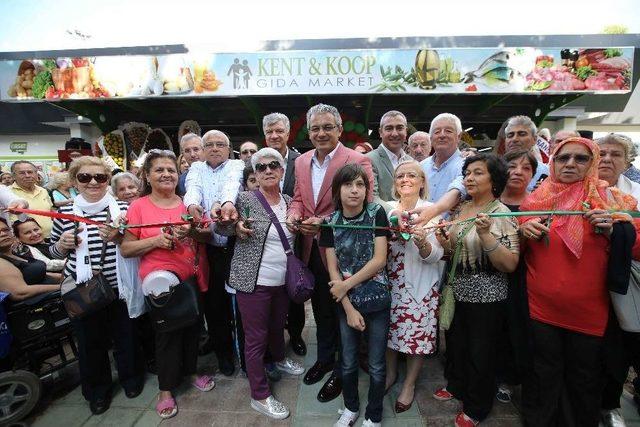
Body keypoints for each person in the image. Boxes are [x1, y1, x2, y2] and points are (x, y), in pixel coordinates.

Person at [519, 137, 640, 427]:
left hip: (590, 314)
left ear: (593, 163)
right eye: (563, 158)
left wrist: (615, 231)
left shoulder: (613, 201)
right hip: (541, 309)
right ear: (553, 162)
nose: (570, 164)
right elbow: (516, 250)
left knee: (583, 379)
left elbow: (638, 247)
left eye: (581, 158)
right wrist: (523, 229)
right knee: (544, 375)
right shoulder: (534, 200)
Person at [286, 103, 374, 403]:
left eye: (327, 127)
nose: (321, 133)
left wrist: (323, 222)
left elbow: (364, 205)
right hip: (311, 247)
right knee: (321, 309)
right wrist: (294, 214)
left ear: (339, 129)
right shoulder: (301, 162)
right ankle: (324, 358)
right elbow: (298, 198)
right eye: (315, 128)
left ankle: (342, 368)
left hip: (345, 251)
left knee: (343, 309)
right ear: (308, 132)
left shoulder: (358, 160)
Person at [120, 149, 214, 419]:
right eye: (159, 170)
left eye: (171, 170)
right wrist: (156, 241)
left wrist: (193, 230)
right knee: (167, 336)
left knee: (193, 329)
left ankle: (191, 371)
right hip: (160, 285)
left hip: (192, 278)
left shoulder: (188, 204)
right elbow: (127, 248)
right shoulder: (138, 206)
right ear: (147, 176)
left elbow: (207, 235)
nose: (166, 174)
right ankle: (165, 390)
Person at [48, 156, 144, 415]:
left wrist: (119, 235)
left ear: (107, 182)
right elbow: (54, 252)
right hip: (83, 291)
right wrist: (62, 245)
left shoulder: (124, 208)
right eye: (85, 177)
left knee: (126, 336)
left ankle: (131, 379)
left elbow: (135, 241)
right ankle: (97, 391)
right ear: (74, 181)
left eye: (100, 177)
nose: (93, 182)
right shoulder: (64, 213)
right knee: (90, 343)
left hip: (120, 287)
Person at [433, 153, 520, 427]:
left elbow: (509, 263)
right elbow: (454, 251)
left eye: (478, 172)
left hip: (488, 296)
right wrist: (442, 240)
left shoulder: (500, 213)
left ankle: (477, 407)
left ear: (494, 178)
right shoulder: (462, 208)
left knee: (481, 353)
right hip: (458, 290)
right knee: (456, 345)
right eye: (467, 173)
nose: (470, 178)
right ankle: (457, 386)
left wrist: (486, 235)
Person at [224, 148, 305, 419]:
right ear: (255, 174)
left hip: (282, 280)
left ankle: (279, 359)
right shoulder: (245, 198)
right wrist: (234, 227)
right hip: (253, 281)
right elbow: (222, 226)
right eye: (261, 167)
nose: (268, 170)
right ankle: (259, 395)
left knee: (276, 327)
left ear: (283, 171)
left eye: (274, 165)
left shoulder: (289, 200)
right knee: (256, 338)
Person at [319, 163, 390, 427]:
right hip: (346, 305)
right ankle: (350, 408)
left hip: (378, 300)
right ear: (338, 190)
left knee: (376, 364)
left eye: (360, 184)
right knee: (347, 362)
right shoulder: (329, 223)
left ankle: (374, 414)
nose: (354, 190)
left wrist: (346, 286)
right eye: (348, 184)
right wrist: (348, 307)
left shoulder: (376, 214)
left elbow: (379, 260)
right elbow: (333, 270)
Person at [385, 160, 444, 413]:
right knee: (387, 333)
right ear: (395, 183)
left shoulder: (432, 211)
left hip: (419, 284)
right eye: (400, 175)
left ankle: (409, 384)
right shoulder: (386, 208)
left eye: (412, 175)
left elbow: (436, 256)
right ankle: (389, 375)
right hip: (388, 282)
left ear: (422, 182)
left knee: (416, 337)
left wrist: (423, 244)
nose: (405, 179)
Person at [184, 129, 244, 376]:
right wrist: (191, 205)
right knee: (214, 307)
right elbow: (192, 188)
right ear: (203, 148)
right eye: (209, 144)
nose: (215, 148)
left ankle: (246, 354)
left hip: (236, 247)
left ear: (228, 148)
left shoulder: (237, 165)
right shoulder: (196, 169)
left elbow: (232, 186)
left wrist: (228, 203)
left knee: (240, 305)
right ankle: (224, 357)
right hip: (207, 248)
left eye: (221, 144)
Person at [596, 133, 640, 427]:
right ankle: (601, 404)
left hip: (626, 284)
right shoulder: (575, 190)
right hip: (588, 284)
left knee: (625, 346)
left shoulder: (635, 194)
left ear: (627, 162)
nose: (607, 159)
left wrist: (618, 233)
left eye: (615, 154)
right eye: (601, 154)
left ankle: (613, 404)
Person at [496, 150, 537, 404]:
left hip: (522, 276)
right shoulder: (488, 200)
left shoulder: (538, 204)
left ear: (534, 174)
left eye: (526, 168)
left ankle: (509, 378)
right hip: (489, 273)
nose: (518, 172)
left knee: (515, 326)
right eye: (512, 166)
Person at [263, 112, 305, 355]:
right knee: (271, 293)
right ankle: (274, 338)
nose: (275, 135)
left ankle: (297, 335)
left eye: (279, 131)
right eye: (270, 132)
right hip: (265, 243)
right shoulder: (256, 162)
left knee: (294, 287)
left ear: (288, 133)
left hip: (294, 237)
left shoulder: (301, 161)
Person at [0, 217, 61, 300]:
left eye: (5, 230)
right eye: (27, 232)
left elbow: (38, 274)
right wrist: (62, 287)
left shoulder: (14, 254)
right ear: (18, 237)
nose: (3, 234)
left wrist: (69, 278)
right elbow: (21, 292)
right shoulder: (2, 262)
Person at [367, 110, 412, 204]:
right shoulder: (368, 160)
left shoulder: (411, 161)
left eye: (399, 128)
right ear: (380, 132)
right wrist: (394, 213)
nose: (395, 134)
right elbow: (372, 197)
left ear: (406, 131)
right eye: (389, 128)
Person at [9, 161, 54, 237]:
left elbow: (50, 211)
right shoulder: (7, 193)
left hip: (49, 238)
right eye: (22, 173)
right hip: (23, 243)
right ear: (13, 176)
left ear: (36, 174)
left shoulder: (43, 191)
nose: (27, 176)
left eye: (30, 172)